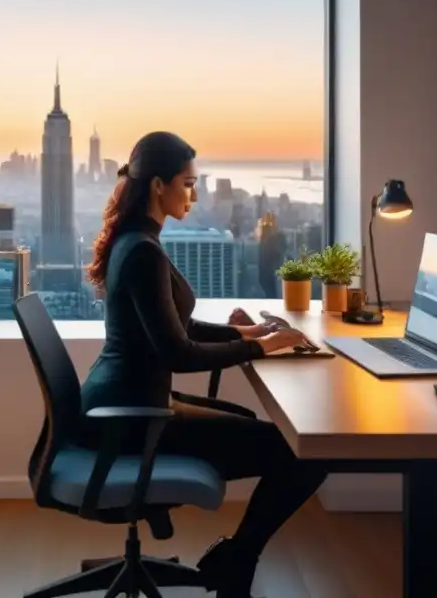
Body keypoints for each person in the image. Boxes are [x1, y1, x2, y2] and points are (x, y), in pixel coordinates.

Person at [78, 130, 329, 598]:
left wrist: (248, 333)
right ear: (159, 185)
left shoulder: (137, 241)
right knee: (303, 453)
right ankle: (238, 560)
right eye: (188, 183)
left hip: (124, 398)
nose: (194, 194)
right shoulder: (142, 253)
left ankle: (236, 558)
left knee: (249, 422)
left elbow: (177, 328)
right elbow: (179, 353)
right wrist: (262, 349)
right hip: (130, 418)